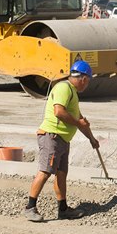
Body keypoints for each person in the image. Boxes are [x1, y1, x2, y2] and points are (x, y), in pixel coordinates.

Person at [24, 60, 100, 222]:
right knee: (45, 171)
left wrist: (92, 139)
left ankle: (63, 209)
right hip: (52, 136)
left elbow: (80, 120)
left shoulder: (72, 93)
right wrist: (79, 123)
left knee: (61, 174)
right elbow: (59, 112)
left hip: (63, 139)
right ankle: (30, 207)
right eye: (88, 81)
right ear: (84, 79)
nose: (87, 85)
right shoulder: (64, 88)